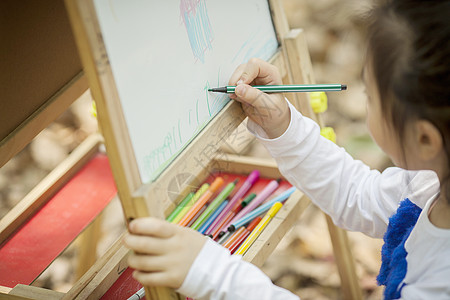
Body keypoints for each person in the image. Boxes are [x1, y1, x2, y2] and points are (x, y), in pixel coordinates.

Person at [124, 0, 450, 298]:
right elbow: (361, 196)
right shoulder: (431, 179)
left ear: (424, 139)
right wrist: (283, 126)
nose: (366, 102)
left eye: (370, 96)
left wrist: (214, 274)